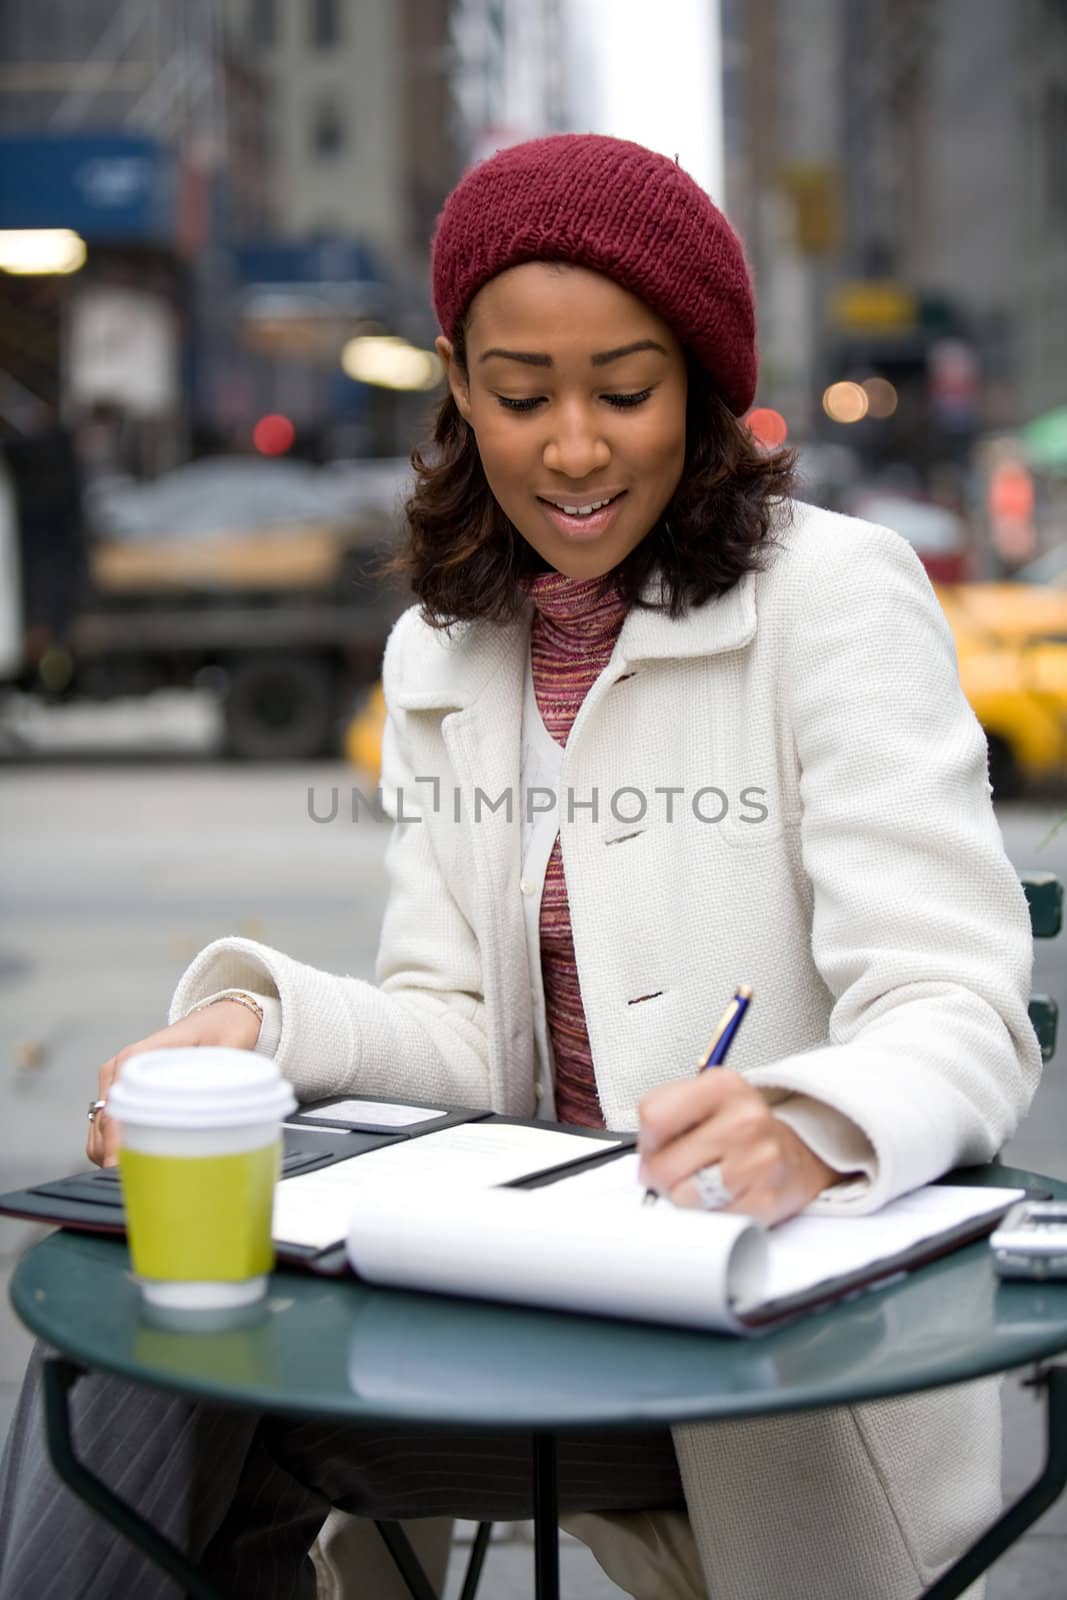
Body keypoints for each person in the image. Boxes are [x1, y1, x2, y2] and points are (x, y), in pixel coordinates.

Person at [0, 134, 1040, 1600]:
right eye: (520, 391)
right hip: (523, 1287)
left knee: (175, 1419)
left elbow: (958, 1008)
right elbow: (455, 1029)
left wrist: (811, 1115)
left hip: (761, 1339)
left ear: (699, 382)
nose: (571, 445)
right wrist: (266, 1029)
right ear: (454, 378)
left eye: (624, 391)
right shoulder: (444, 645)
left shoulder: (834, 601)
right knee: (162, 1354)